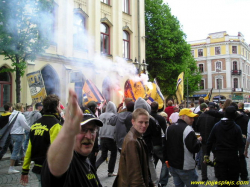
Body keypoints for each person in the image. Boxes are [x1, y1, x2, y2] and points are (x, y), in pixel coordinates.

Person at [41, 90, 103, 187]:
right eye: (82, 129)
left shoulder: (85, 159)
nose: (89, 136)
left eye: (92, 130)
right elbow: (56, 168)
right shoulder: (69, 161)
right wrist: (68, 132)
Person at [20, 95, 62, 186]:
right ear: (56, 107)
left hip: (38, 167)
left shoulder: (35, 124)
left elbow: (29, 149)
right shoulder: (56, 125)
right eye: (59, 105)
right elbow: (57, 151)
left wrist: (25, 169)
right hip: (51, 169)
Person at [113, 108, 155, 187]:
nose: (144, 125)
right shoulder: (132, 141)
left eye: (146, 122)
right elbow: (135, 176)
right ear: (133, 122)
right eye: (140, 122)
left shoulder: (137, 137)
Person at [205, 106, 244, 186]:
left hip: (220, 158)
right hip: (233, 157)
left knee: (221, 181)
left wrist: (207, 155)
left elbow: (210, 141)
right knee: (233, 181)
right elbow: (240, 145)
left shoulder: (217, 126)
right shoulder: (237, 128)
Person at [164, 108, 202, 187]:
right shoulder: (188, 129)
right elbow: (194, 148)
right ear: (183, 117)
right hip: (186, 166)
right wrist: (198, 141)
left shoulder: (169, 128)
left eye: (193, 118)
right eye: (190, 117)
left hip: (173, 165)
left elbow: (165, 146)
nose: (193, 120)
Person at [196, 102, 220, 181]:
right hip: (214, 140)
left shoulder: (202, 115)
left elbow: (197, 127)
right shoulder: (216, 116)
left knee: (204, 158)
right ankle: (217, 173)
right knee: (216, 157)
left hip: (204, 139)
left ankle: (204, 176)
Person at [96, 101, 118, 177]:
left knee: (103, 156)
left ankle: (94, 168)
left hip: (102, 137)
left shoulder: (101, 115)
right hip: (111, 138)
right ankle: (110, 171)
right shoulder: (114, 116)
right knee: (114, 153)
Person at [150, 101, 169, 187]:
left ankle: (151, 179)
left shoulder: (147, 118)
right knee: (165, 162)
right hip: (159, 143)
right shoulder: (161, 119)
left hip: (150, 143)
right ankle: (162, 181)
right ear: (158, 108)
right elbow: (165, 132)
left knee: (152, 162)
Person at [8, 103, 30, 174]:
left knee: (21, 150)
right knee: (16, 151)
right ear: (20, 108)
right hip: (19, 134)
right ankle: (11, 168)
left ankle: (25, 164)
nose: (23, 109)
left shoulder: (11, 114)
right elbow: (25, 125)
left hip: (13, 134)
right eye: (23, 108)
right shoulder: (20, 115)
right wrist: (31, 129)